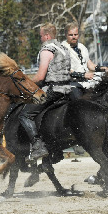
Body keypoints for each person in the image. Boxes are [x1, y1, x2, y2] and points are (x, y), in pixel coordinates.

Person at [19, 23, 71, 161]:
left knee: (25, 115)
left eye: (41, 36)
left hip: (53, 90)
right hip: (67, 90)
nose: (41, 39)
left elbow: (40, 77)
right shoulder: (64, 48)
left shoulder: (46, 50)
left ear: (47, 36)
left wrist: (25, 82)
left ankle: (38, 146)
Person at [61, 22, 108, 99]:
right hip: (72, 85)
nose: (73, 37)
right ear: (66, 35)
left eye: (75, 35)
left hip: (86, 83)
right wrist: (83, 75)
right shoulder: (61, 49)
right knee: (81, 104)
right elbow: (65, 71)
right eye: (71, 35)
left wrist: (101, 68)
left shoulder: (82, 47)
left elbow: (90, 65)